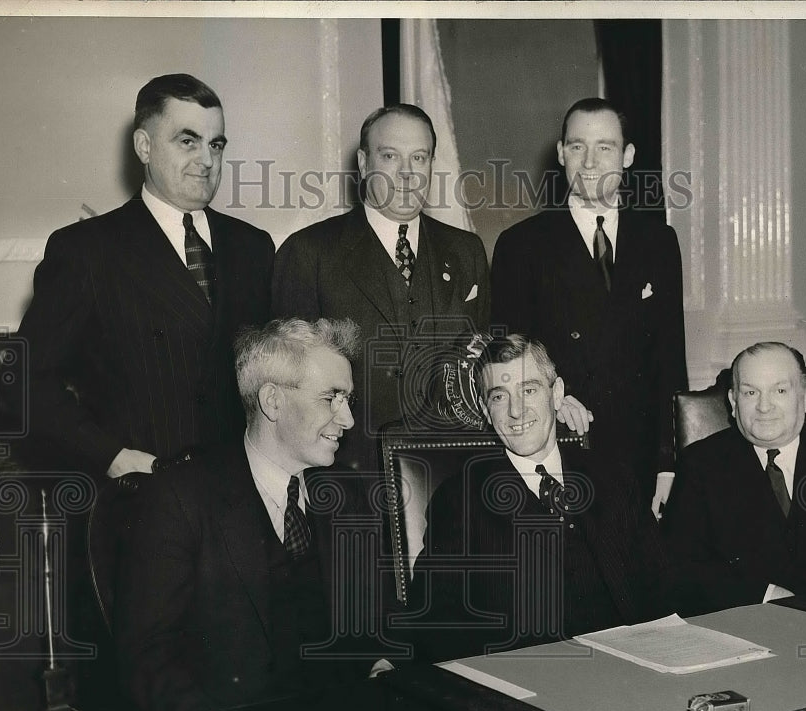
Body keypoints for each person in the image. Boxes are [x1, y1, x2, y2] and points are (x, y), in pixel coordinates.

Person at [115, 317, 382, 711]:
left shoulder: (347, 498)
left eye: (348, 399)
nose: (349, 418)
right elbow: (147, 660)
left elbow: (372, 627)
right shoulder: (180, 498)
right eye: (331, 398)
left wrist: (380, 668)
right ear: (272, 401)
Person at [18, 73, 274, 479]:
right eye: (187, 141)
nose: (207, 160)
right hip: (142, 498)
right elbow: (26, 382)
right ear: (144, 146)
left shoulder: (253, 247)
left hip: (239, 495)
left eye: (216, 145)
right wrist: (112, 457)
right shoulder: (88, 249)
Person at [410, 334, 668, 663]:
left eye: (529, 390)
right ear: (487, 412)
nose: (516, 411)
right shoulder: (458, 500)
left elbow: (663, 586)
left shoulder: (614, 479)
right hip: (526, 686)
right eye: (499, 397)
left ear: (556, 394)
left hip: (631, 673)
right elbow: (435, 620)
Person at [490, 97, 687, 517]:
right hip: (562, 446)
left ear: (628, 155)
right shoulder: (521, 246)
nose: (591, 161)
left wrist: (668, 466)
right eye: (578, 147)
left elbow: (671, 362)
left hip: (639, 459)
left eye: (605, 147)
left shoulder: (659, 242)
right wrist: (556, 395)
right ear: (561, 153)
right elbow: (509, 355)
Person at [272, 104, 491, 471]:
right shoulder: (308, 252)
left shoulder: (466, 250)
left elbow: (483, 363)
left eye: (419, 158)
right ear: (363, 162)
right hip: (347, 479)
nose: (407, 174)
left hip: (452, 475)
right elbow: (290, 387)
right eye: (390, 156)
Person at [663, 342, 806, 617]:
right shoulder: (701, 464)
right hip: (743, 624)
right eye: (750, 392)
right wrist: (768, 595)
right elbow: (681, 570)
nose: (764, 406)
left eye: (780, 390)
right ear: (733, 402)